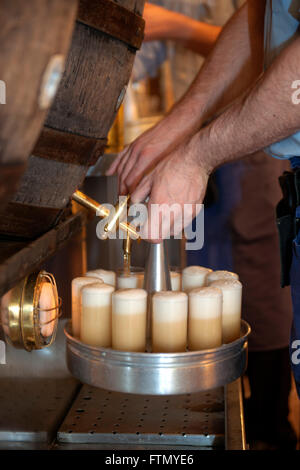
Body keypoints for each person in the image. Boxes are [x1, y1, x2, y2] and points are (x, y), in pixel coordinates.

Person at [107, 0, 300, 408]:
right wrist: (180, 126)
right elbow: (262, 16)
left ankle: (270, 417)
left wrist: (196, 156)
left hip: (250, 149)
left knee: (256, 281)